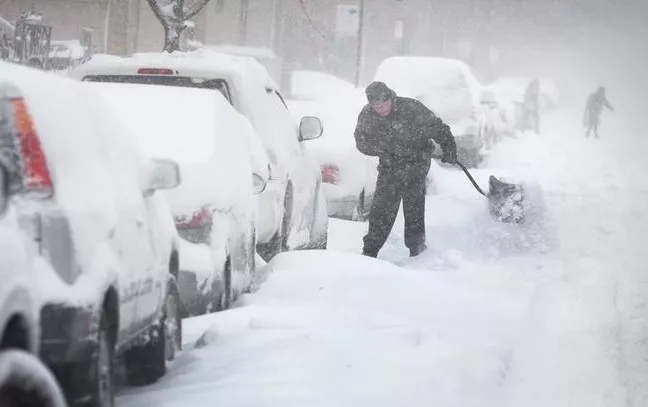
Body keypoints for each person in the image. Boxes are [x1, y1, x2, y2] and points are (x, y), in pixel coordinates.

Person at [354, 81, 457, 258]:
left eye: (383, 104)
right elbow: (361, 142)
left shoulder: (411, 108)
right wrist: (383, 148)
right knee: (382, 206)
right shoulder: (367, 115)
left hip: (416, 161)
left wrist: (449, 148)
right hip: (389, 164)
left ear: (390, 98)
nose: (380, 109)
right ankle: (370, 250)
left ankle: (416, 248)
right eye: (376, 106)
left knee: (413, 203)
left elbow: (438, 128)